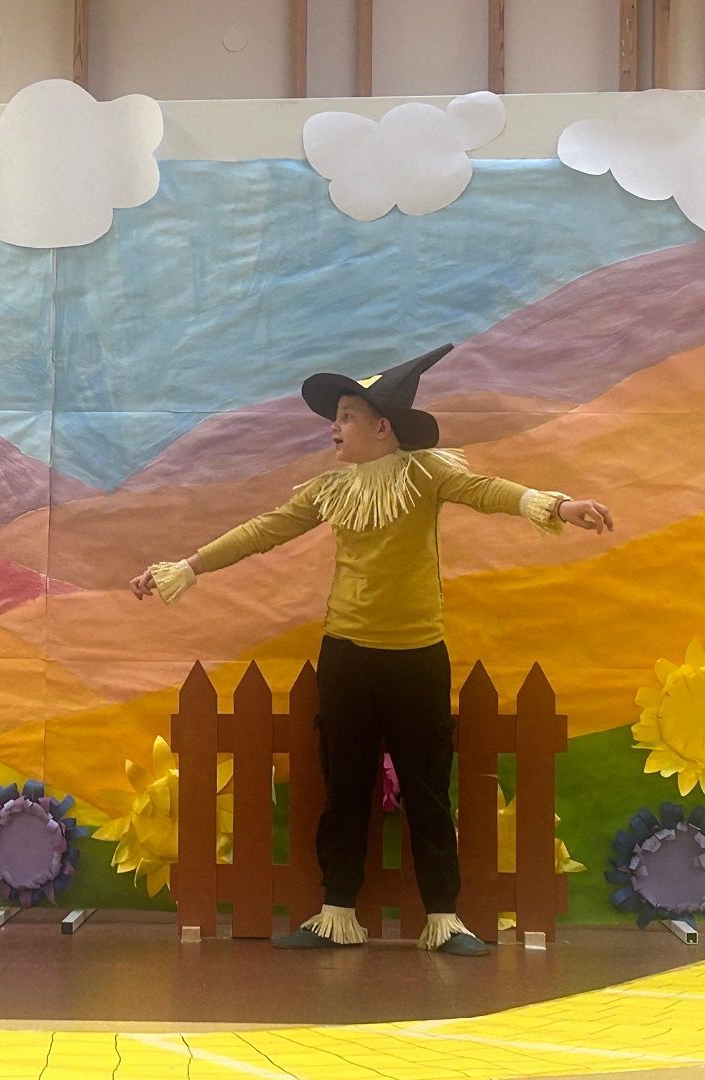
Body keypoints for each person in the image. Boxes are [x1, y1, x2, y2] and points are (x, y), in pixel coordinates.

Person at [131, 344, 613, 955]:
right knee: (346, 786)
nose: (333, 429)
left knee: (427, 787)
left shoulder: (428, 473)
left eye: (346, 418)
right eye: (334, 419)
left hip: (417, 656)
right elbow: (263, 530)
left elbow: (485, 489)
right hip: (347, 656)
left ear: (382, 427)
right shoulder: (330, 489)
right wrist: (187, 567)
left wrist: (559, 505)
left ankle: (444, 918)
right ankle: (337, 913)